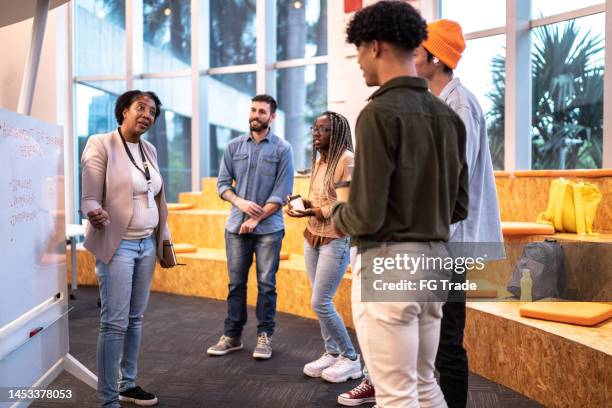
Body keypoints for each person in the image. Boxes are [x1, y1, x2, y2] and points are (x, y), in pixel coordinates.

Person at [339, 19, 504, 408]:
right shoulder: (441, 110)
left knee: (424, 369)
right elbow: (454, 197)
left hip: (413, 252)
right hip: (438, 248)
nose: (360, 60)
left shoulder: (435, 108)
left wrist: (336, 212)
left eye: (361, 49)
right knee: (425, 381)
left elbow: (437, 194)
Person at [81, 90, 174, 408]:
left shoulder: (149, 149)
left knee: (135, 319)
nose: (147, 114)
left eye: (152, 111)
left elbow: (157, 197)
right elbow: (89, 194)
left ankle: (128, 384)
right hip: (118, 245)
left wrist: (163, 240)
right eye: (141, 108)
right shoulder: (101, 143)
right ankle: (108, 399)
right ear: (123, 111)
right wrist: (94, 211)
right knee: (114, 323)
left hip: (147, 244)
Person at [207, 94, 294, 360]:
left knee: (266, 284)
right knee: (236, 284)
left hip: (269, 230)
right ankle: (232, 336)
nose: (256, 115)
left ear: (272, 117)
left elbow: (282, 192)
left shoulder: (282, 149)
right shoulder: (233, 147)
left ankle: (264, 336)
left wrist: (256, 218)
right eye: (253, 110)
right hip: (236, 228)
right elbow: (222, 185)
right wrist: (240, 202)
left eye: (262, 112)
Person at [286, 111, 361, 383]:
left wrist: (314, 211)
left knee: (321, 301)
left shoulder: (347, 160)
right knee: (320, 302)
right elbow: (320, 198)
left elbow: (347, 204)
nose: (316, 133)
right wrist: (303, 204)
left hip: (335, 238)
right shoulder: (321, 160)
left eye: (324, 129)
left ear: (337, 132)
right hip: (312, 236)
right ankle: (331, 352)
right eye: (315, 128)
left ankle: (351, 358)